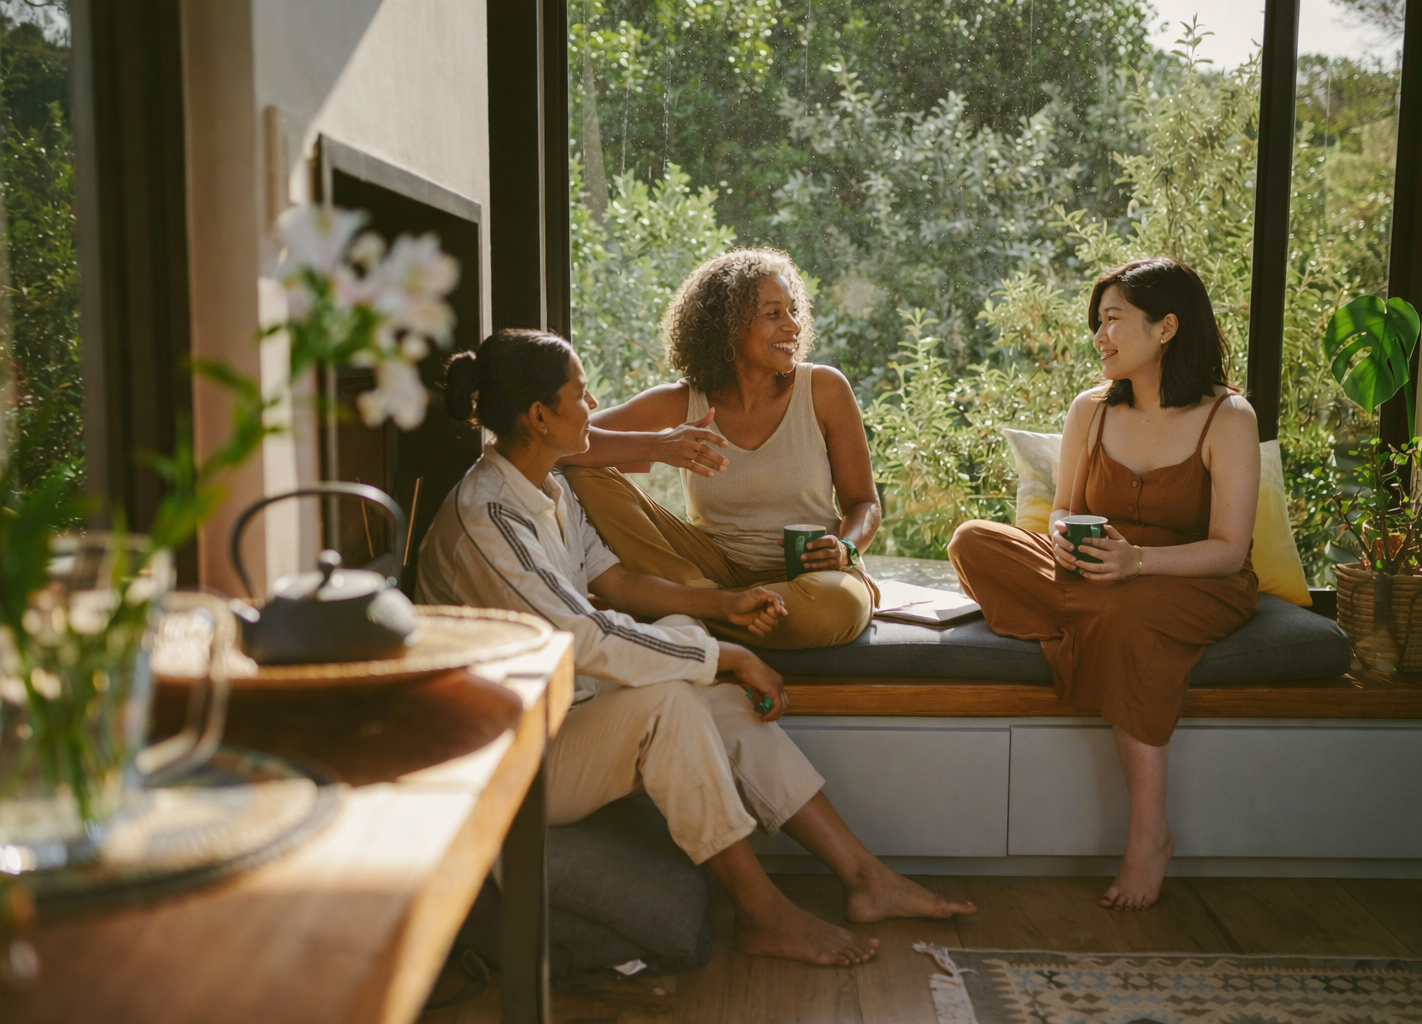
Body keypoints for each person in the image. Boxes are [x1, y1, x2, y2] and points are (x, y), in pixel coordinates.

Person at [415, 328, 974, 966]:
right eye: (580, 393)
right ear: (539, 417)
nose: (594, 404)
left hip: (561, 720)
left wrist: (724, 606)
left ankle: (862, 876)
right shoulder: (490, 516)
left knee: (703, 685)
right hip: (501, 762)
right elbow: (586, 637)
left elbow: (616, 581)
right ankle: (761, 913)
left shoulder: (550, 488)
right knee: (672, 703)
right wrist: (729, 653)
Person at [947, 257, 1260, 911]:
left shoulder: (1228, 418)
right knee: (973, 541)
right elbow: (1064, 507)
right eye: (1099, 322)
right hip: (1096, 575)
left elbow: (1230, 552)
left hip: (1188, 578)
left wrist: (1138, 562)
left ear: (1167, 327)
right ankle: (1092, 621)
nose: (1099, 335)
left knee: (1125, 616)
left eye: (1113, 319)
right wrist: (1063, 534)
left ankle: (1149, 837)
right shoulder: (1089, 409)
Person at [557, 247, 879, 649]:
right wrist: (660, 446)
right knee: (588, 472)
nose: (793, 326)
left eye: (794, 311)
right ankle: (715, 604)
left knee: (835, 607)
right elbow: (565, 444)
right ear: (727, 326)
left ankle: (696, 611)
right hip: (709, 570)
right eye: (774, 313)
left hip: (810, 578)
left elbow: (864, 503)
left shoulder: (824, 390)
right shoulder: (682, 401)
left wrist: (846, 549)